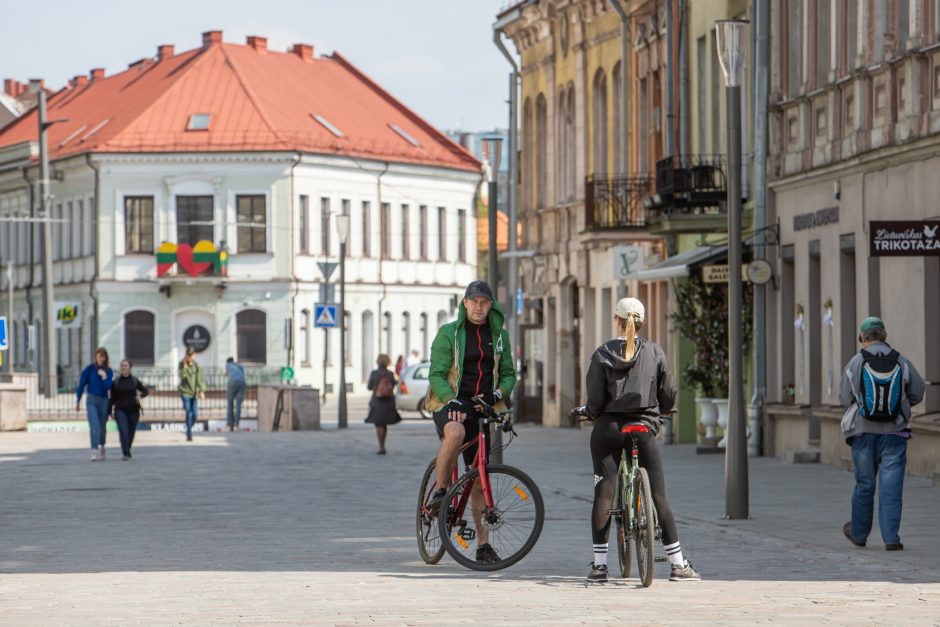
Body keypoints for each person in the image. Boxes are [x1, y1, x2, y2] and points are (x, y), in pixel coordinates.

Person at [580, 297, 700, 583]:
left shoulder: (601, 354)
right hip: (644, 428)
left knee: (604, 494)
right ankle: (678, 564)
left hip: (608, 428)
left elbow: (595, 398)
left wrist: (589, 411)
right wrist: (664, 410)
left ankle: (599, 567)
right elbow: (668, 390)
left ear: (617, 320)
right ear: (642, 322)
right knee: (658, 495)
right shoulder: (655, 351)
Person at [424, 280, 515, 565]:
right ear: (464, 304)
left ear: (491, 305)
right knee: (455, 430)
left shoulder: (499, 337)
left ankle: (483, 546)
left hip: (482, 406)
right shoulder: (448, 333)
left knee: (478, 476)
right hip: (449, 402)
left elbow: (509, 374)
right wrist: (451, 399)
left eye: (484, 302)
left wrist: (499, 393)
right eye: (473, 301)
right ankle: (440, 491)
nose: (478, 306)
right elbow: (436, 374)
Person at [840, 316, 925, 551]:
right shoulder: (901, 361)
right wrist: (901, 404)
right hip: (895, 432)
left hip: (863, 433)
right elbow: (918, 391)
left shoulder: (856, 363)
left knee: (864, 483)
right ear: (884, 336)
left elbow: (844, 398)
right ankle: (891, 538)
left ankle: (859, 533)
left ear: (863, 338)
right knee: (891, 485)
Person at [76, 348, 114, 461]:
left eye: (103, 356)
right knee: (94, 426)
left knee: (102, 427)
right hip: (91, 399)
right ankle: (94, 450)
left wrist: (104, 377)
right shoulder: (89, 369)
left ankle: (102, 446)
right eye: (99, 356)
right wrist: (78, 400)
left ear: (106, 358)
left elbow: (107, 387)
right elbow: (81, 384)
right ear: (96, 357)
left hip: (103, 400)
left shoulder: (109, 371)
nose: (101, 358)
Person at [109, 360, 149, 460]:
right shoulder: (116, 382)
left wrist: (141, 395)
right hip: (120, 409)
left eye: (125, 365)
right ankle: (125, 453)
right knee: (123, 431)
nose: (123, 367)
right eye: (122, 365)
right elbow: (112, 398)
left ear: (130, 367)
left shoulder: (134, 380)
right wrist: (109, 411)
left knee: (131, 431)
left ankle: (127, 449)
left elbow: (145, 390)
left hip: (133, 410)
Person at [365, 354, 402, 454]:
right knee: (384, 424)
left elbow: (369, 387)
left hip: (377, 401)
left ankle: (381, 446)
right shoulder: (390, 373)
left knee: (379, 424)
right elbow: (393, 385)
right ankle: (383, 444)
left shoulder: (374, 373)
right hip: (389, 401)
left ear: (378, 361)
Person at [178, 347, 206, 442]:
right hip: (185, 392)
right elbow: (182, 376)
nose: (190, 357)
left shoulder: (197, 366)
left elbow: (200, 379)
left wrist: (201, 390)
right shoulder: (181, 364)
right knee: (188, 412)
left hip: (194, 393)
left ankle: (188, 426)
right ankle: (189, 434)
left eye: (192, 355)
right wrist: (185, 366)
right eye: (189, 355)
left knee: (195, 414)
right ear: (186, 355)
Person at [225, 357, 246, 432]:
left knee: (230, 404)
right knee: (238, 405)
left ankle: (229, 424)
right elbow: (243, 375)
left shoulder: (227, 365)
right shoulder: (240, 365)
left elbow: (227, 374)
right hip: (241, 384)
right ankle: (236, 424)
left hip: (232, 384)